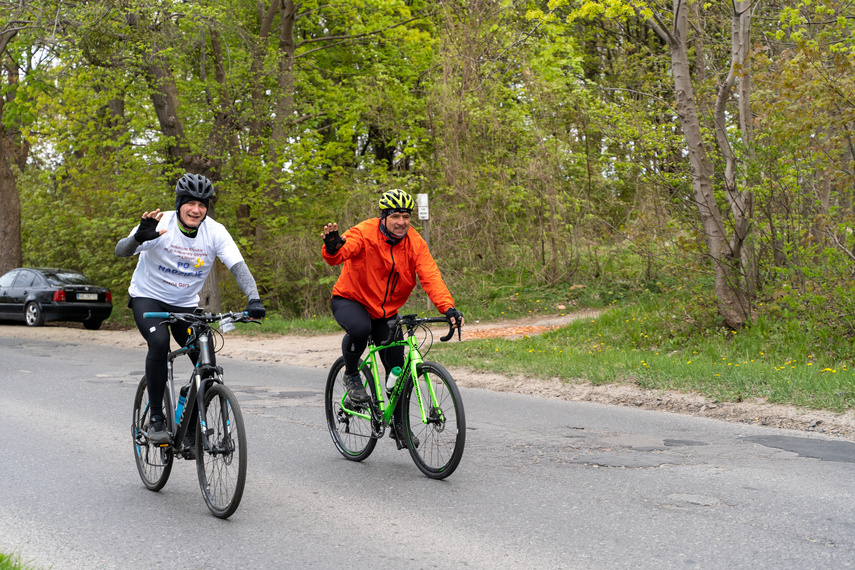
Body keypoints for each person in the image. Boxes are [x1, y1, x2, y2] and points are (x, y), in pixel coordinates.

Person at [116, 173, 266, 455]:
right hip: (148, 299)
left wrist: (254, 298)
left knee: (205, 360)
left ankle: (191, 429)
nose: (196, 209)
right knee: (159, 343)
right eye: (190, 203)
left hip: (185, 303)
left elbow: (238, 266)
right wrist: (137, 238)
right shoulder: (160, 223)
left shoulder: (215, 232)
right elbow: (120, 251)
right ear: (179, 203)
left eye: (202, 204)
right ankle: (157, 417)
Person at [321, 189, 463, 448]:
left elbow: (430, 276)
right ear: (384, 217)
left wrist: (448, 309)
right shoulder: (365, 232)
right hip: (351, 299)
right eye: (395, 216)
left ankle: (399, 428)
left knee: (398, 368)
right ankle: (352, 373)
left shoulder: (415, 243)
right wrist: (332, 248)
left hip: (386, 311)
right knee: (360, 329)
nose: (401, 222)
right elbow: (342, 251)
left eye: (406, 216)